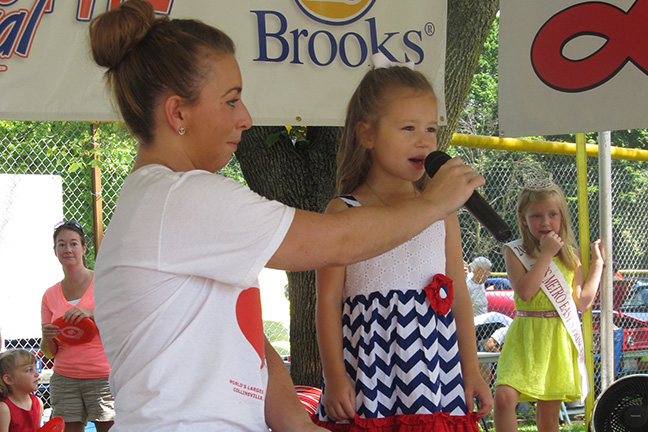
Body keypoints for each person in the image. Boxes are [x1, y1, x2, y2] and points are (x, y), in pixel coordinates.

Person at [87, 1, 484, 431]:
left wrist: (298, 423)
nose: (246, 119)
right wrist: (431, 204)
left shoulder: (169, 199)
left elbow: (248, 340)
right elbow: (336, 241)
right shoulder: (180, 198)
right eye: (231, 101)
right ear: (178, 112)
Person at [312, 58, 492, 431]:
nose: (424, 140)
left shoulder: (443, 213)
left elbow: (457, 295)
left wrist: (470, 369)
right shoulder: (344, 210)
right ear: (367, 134)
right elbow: (328, 300)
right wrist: (334, 376)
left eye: (430, 128)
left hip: (434, 377)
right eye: (408, 127)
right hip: (369, 377)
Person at [494, 181, 604, 432]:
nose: (545, 222)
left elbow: (583, 302)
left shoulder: (570, 255)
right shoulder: (514, 251)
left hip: (557, 338)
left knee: (548, 415)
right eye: (537, 216)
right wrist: (545, 255)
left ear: (562, 217)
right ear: (523, 219)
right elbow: (525, 291)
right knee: (504, 398)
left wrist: (597, 265)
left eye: (552, 214)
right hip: (524, 335)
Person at [40, 221, 115, 432]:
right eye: (61, 244)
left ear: (83, 248)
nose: (67, 249)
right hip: (65, 377)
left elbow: (120, 320)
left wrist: (90, 313)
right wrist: (47, 337)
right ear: (55, 250)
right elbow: (49, 352)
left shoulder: (102, 283)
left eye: (73, 243)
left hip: (101, 375)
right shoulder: (49, 295)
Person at [0, 349, 44, 432]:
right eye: (29, 370)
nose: (37, 374)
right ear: (9, 379)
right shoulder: (4, 408)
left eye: (35, 368)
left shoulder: (38, 403)